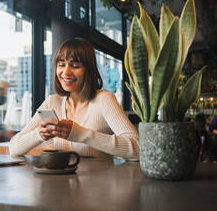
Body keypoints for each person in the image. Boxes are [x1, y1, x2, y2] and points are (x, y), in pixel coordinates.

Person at [9, 38, 139, 159]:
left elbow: (137, 148)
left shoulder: (104, 100)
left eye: (75, 66)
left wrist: (80, 134)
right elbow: (14, 148)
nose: (66, 72)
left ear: (89, 70)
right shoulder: (52, 102)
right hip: (60, 182)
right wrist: (39, 134)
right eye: (61, 65)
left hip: (100, 182)